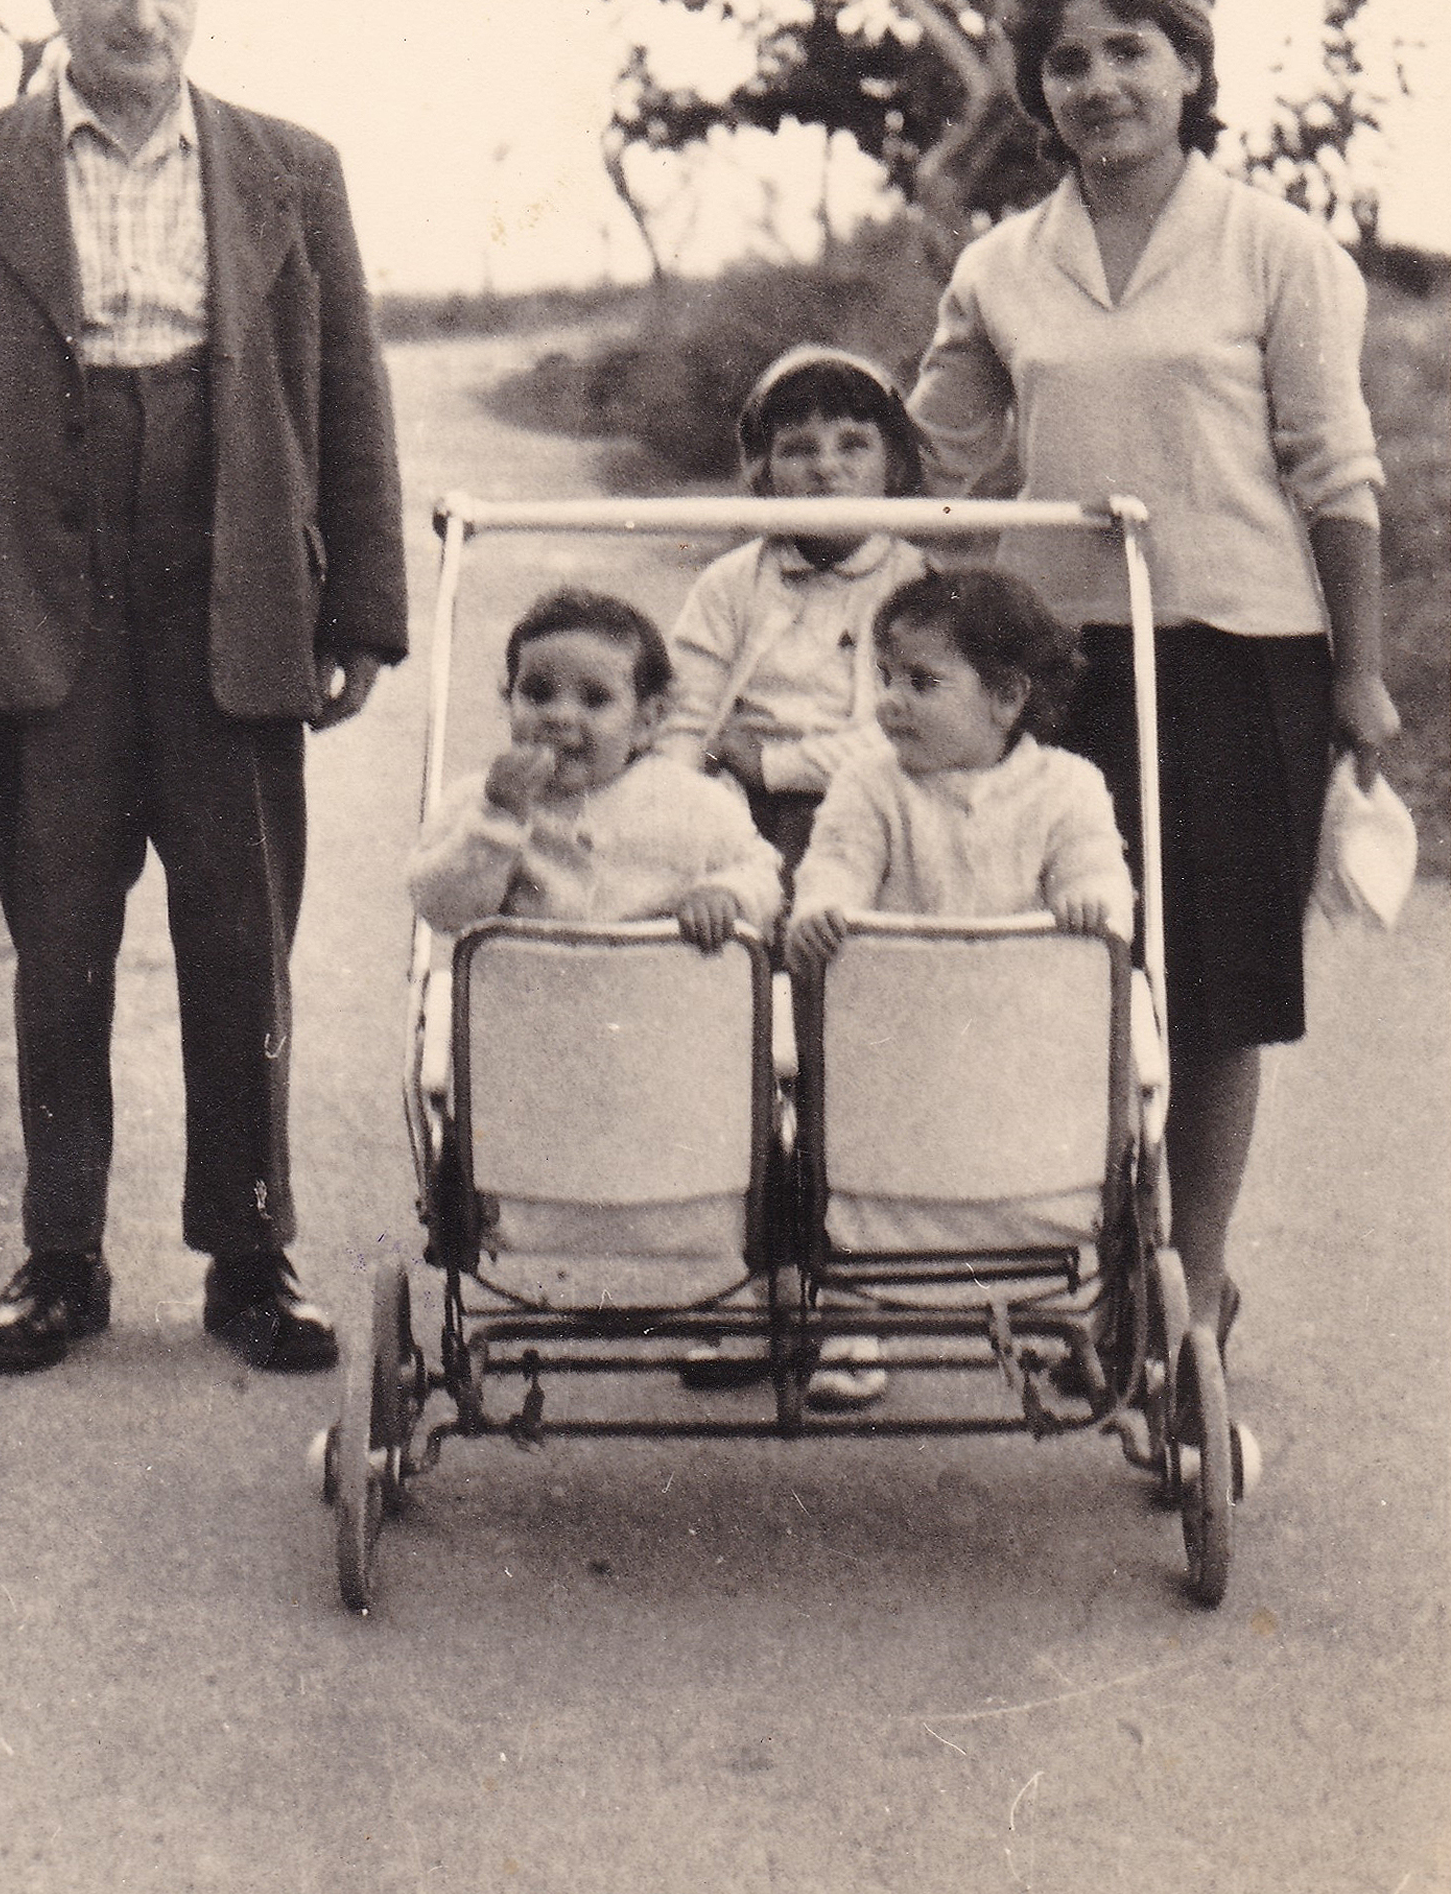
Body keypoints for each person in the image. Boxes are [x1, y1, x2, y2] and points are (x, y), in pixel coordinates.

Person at [0, 0, 408, 1375]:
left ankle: (249, 1253)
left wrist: (357, 599)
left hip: (226, 586)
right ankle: (58, 1256)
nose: (137, 9)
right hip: (41, 600)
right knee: (58, 945)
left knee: (242, 939)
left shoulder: (291, 166)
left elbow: (343, 395)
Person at [906, 0, 1397, 1365]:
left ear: (1187, 63)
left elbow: (1335, 469)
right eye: (1066, 60)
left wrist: (1358, 675)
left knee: (1214, 979)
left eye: (1130, 48)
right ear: (1034, 92)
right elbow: (928, 453)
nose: (1099, 82)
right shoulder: (1001, 263)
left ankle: (1193, 1277)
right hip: (1053, 666)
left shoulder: (1273, 247)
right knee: (1068, 959)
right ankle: (1101, 1256)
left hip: (1241, 653)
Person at [785, 568, 1135, 1406]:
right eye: (886, 679)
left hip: (1022, 1038)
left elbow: (1099, 874)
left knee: (1049, 1137)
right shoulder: (873, 785)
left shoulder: (1067, 787)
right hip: (900, 1037)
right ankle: (853, 1312)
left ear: (1007, 698)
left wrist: (1088, 896)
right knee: (859, 1147)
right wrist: (826, 907)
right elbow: (833, 863)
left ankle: (1067, 1294)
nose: (890, 703)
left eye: (921, 682)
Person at [658, 347, 928, 893]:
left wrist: (776, 766)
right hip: (740, 797)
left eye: (853, 446)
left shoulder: (918, 584)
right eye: (798, 451)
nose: (826, 468)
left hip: (868, 793)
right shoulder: (730, 582)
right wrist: (675, 799)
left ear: (892, 465)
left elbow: (909, 731)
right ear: (764, 473)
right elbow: (687, 714)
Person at [408, 587, 781, 946]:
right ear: (509, 699)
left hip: (653, 996)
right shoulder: (480, 803)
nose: (559, 715)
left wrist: (729, 893)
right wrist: (496, 822)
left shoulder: (695, 803)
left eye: (594, 699)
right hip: (529, 997)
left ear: (646, 721)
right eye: (537, 694)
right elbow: (439, 910)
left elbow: (763, 873)